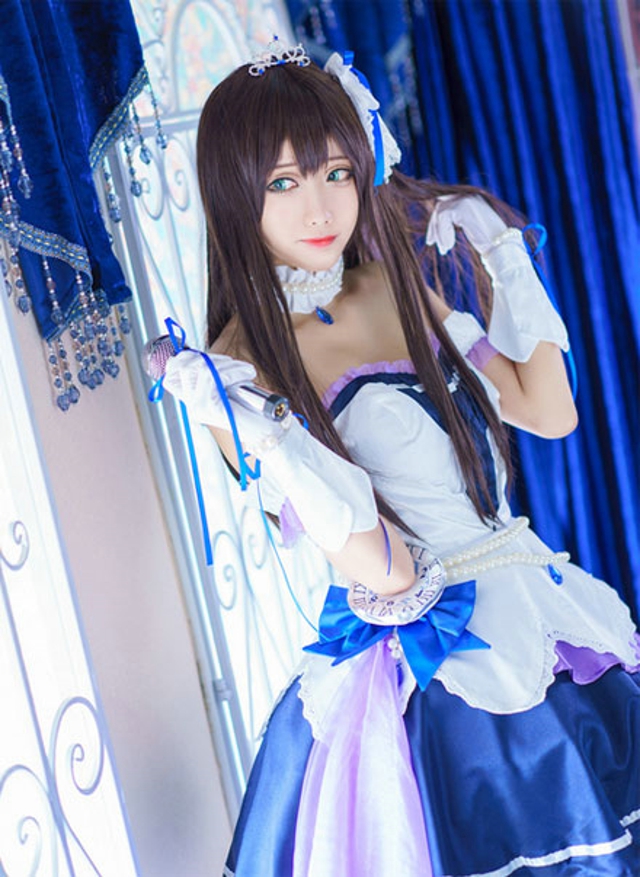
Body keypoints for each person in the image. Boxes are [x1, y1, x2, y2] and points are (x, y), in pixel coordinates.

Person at [160, 40, 640, 877]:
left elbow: (547, 410)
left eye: (336, 172)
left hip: (545, 612)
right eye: (283, 183)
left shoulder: (390, 284)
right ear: (234, 194)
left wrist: (503, 253)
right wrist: (265, 431)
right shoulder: (236, 370)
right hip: (441, 679)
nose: (320, 206)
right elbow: (385, 570)